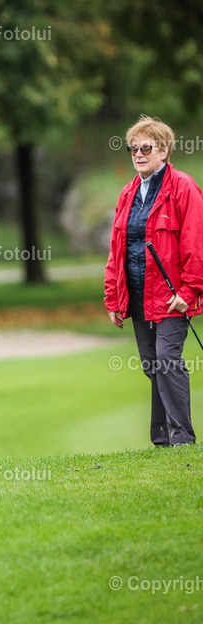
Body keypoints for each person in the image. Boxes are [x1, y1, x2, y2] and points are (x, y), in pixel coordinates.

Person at [105, 115, 203, 447]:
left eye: (145, 148)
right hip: (136, 293)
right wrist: (113, 298)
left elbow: (196, 243)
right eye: (133, 149)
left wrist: (189, 291)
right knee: (152, 364)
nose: (138, 154)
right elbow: (116, 249)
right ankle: (162, 438)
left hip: (172, 295)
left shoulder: (184, 187)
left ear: (164, 151)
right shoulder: (128, 192)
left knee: (167, 359)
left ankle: (182, 438)